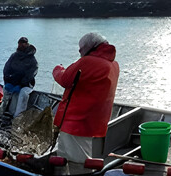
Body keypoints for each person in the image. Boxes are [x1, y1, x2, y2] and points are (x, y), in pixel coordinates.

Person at [51, 31, 120, 163]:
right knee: (73, 154)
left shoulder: (87, 61)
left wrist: (57, 69)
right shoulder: (113, 65)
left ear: (89, 47)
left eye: (81, 48)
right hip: (94, 119)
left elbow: (65, 79)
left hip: (76, 120)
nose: (79, 52)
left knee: (76, 160)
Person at [2, 36, 38, 119]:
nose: (21, 45)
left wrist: (21, 84)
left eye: (23, 43)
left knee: (22, 94)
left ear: (27, 44)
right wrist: (7, 81)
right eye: (19, 43)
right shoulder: (14, 56)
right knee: (5, 91)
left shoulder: (32, 60)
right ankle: (3, 113)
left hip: (26, 85)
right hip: (12, 83)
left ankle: (18, 117)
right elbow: (6, 69)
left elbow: (30, 75)